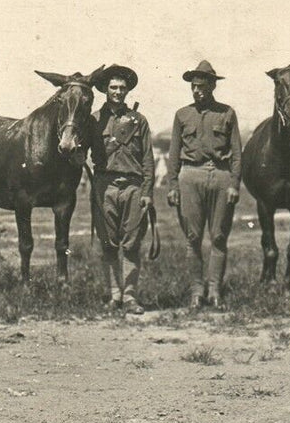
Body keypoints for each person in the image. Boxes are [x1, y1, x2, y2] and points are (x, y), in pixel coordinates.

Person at [165, 60, 244, 309]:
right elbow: (174, 154)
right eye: (193, 86)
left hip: (220, 177)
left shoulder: (227, 113)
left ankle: (215, 292)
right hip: (190, 176)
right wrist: (172, 186)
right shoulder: (182, 115)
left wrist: (234, 184)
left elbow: (237, 153)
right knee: (193, 238)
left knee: (219, 237)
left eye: (201, 85)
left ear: (212, 86)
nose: (197, 90)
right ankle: (196, 293)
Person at [90, 64, 155, 314]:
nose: (118, 92)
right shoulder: (94, 120)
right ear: (105, 90)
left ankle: (129, 296)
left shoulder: (139, 121)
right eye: (113, 87)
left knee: (131, 244)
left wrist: (148, 192)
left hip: (133, 187)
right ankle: (114, 295)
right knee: (108, 243)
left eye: (122, 88)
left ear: (127, 91)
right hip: (104, 186)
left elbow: (148, 158)